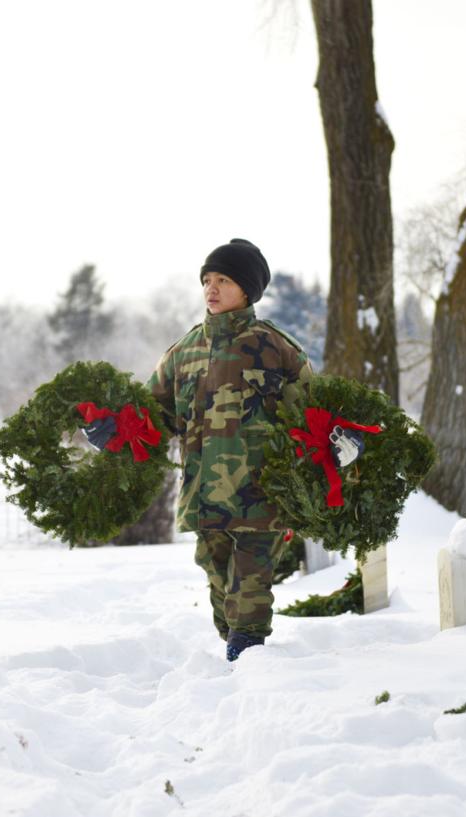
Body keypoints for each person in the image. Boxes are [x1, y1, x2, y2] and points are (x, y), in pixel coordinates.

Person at [147, 238, 313, 661]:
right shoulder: (184, 351)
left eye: (223, 279)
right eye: (207, 280)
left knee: (251, 580)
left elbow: (315, 406)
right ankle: (235, 644)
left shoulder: (274, 347)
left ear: (248, 290)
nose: (211, 288)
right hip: (205, 492)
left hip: (261, 492)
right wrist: (113, 427)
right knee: (216, 574)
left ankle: (248, 649)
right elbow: (152, 413)